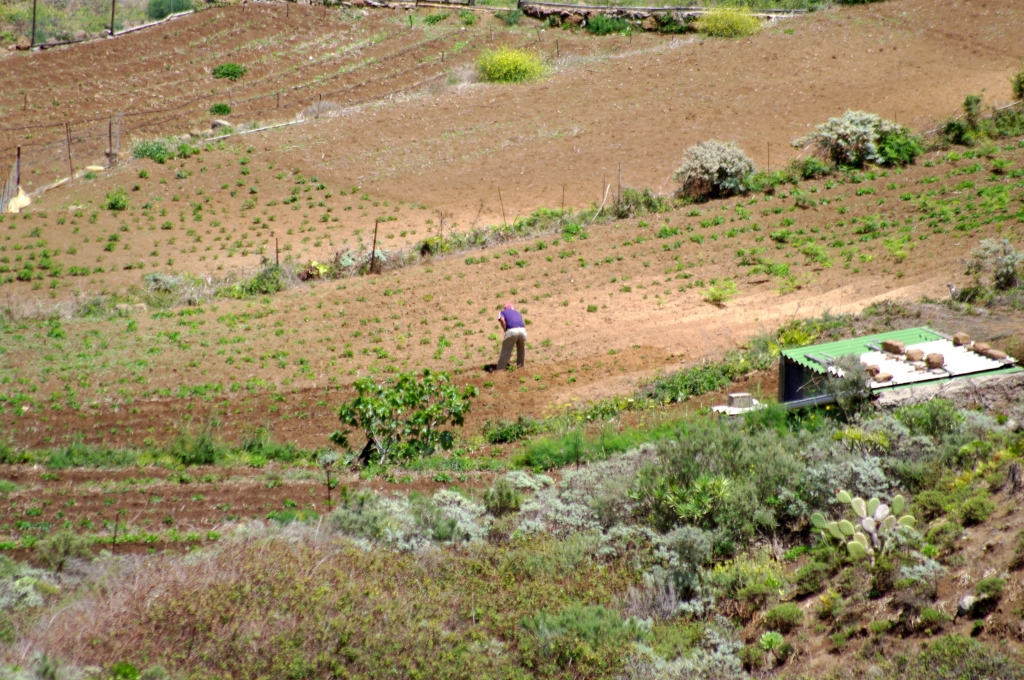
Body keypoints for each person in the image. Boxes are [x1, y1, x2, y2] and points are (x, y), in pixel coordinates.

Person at [495, 302, 526, 370]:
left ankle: (500, 369)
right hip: (522, 330)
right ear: (512, 308)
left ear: (505, 308)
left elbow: (502, 319)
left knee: (505, 351)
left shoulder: (502, 312)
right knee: (521, 350)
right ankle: (521, 368)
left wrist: (505, 328)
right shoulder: (517, 312)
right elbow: (522, 322)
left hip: (512, 330)